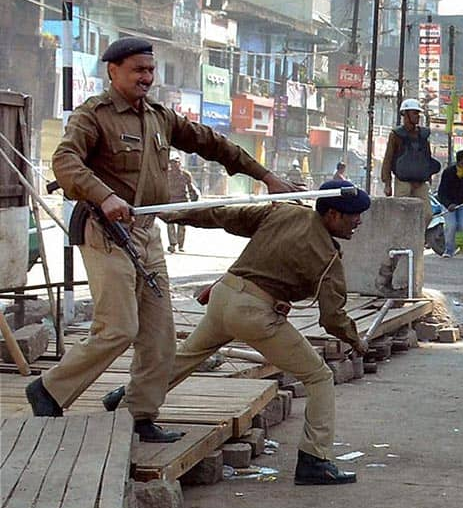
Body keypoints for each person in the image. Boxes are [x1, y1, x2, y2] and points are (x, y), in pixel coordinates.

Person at [24, 36, 300, 443]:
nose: (146, 78)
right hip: (105, 231)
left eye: (150, 71)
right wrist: (105, 194)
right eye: (138, 70)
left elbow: (212, 143)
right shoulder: (93, 116)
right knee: (118, 327)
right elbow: (65, 161)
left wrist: (265, 176)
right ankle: (49, 389)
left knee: (160, 336)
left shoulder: (159, 117)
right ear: (113, 71)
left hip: (147, 234)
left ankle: (139, 414)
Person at [107, 180, 370, 484]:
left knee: (187, 356)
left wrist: (176, 214)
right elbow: (332, 318)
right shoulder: (328, 257)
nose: (358, 222)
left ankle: (130, 398)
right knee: (319, 377)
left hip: (224, 295)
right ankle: (315, 460)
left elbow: (224, 216)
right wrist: (356, 340)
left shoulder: (283, 213)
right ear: (333, 214)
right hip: (254, 313)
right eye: (354, 216)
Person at [381, 98, 441, 223]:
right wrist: (387, 183)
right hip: (403, 181)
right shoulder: (396, 135)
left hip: (420, 183)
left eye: (418, 113)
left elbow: (426, 156)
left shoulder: (423, 135)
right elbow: (388, 159)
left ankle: (418, 238)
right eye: (414, 113)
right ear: (405, 114)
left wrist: (428, 175)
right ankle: (401, 240)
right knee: (401, 215)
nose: (417, 116)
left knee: (427, 214)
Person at [166, 151, 199, 253]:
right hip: (170, 201)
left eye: (175, 162)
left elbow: (191, 188)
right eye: (171, 162)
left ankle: (181, 245)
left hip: (182, 201)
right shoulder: (166, 175)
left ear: (179, 163)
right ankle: (172, 244)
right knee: (170, 223)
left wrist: (194, 199)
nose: (173, 165)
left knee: (182, 224)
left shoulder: (185, 175)